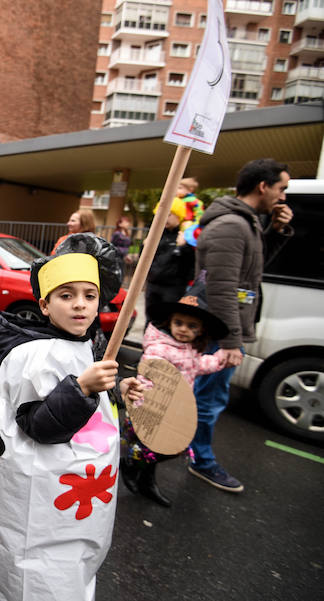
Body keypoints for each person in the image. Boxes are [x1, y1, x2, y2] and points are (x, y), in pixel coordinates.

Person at [0, 233, 143, 601]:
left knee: (68, 556)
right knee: (31, 555)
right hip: (44, 484)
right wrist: (81, 389)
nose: (80, 305)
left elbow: (96, 397)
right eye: (66, 296)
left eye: (89, 295)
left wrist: (119, 389)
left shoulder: (90, 343)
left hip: (81, 489)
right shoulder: (31, 356)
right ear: (45, 305)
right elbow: (38, 424)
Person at [189, 158, 293, 493]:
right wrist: (231, 340)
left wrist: (274, 232)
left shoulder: (245, 223)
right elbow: (221, 288)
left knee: (206, 396)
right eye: (281, 189)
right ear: (263, 186)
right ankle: (200, 460)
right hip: (222, 332)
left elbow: (251, 272)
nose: (283, 197)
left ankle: (186, 447)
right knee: (210, 399)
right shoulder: (232, 225)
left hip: (226, 330)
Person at [120, 274, 228, 507]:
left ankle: (147, 482)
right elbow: (147, 375)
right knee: (159, 448)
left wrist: (221, 358)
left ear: (200, 330)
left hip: (174, 411)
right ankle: (131, 464)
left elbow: (199, 366)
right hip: (152, 409)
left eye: (192, 326)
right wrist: (143, 405)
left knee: (166, 448)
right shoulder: (160, 349)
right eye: (179, 323)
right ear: (170, 322)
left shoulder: (190, 350)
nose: (183, 330)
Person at [143, 197, 194, 316]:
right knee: (150, 318)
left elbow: (191, 262)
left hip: (173, 287)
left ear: (178, 215)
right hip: (153, 284)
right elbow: (145, 260)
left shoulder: (184, 235)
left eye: (169, 214)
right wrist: (144, 246)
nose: (165, 218)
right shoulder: (156, 234)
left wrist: (183, 247)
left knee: (169, 318)